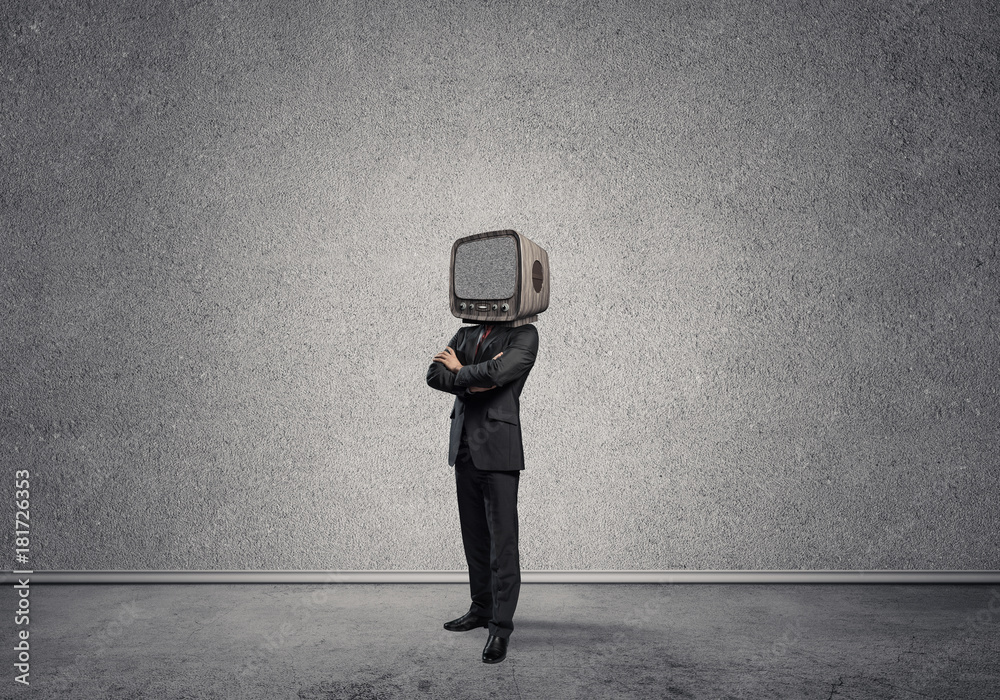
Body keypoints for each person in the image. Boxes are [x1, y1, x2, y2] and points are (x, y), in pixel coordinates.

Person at [426, 321, 539, 664]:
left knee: (502, 544)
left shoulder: (524, 334)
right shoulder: (464, 334)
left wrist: (460, 371)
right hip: (464, 448)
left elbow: (503, 371)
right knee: (475, 538)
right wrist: (476, 381)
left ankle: (500, 628)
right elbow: (433, 375)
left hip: (498, 449)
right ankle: (481, 608)